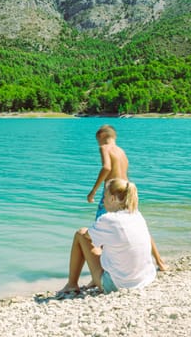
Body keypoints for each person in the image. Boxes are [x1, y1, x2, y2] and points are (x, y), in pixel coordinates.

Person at [87, 124, 167, 272]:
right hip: (127, 190)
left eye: (97, 140)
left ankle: (104, 270)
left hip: (112, 193)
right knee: (139, 226)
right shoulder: (122, 152)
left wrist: (93, 191)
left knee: (102, 229)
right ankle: (160, 262)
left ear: (101, 137)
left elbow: (107, 168)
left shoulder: (105, 148)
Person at [58, 179, 158, 296]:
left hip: (118, 284)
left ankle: (71, 284)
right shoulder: (137, 215)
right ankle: (87, 281)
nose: (103, 200)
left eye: (105, 196)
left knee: (80, 234)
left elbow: (87, 237)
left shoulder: (108, 219)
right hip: (144, 279)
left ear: (113, 198)